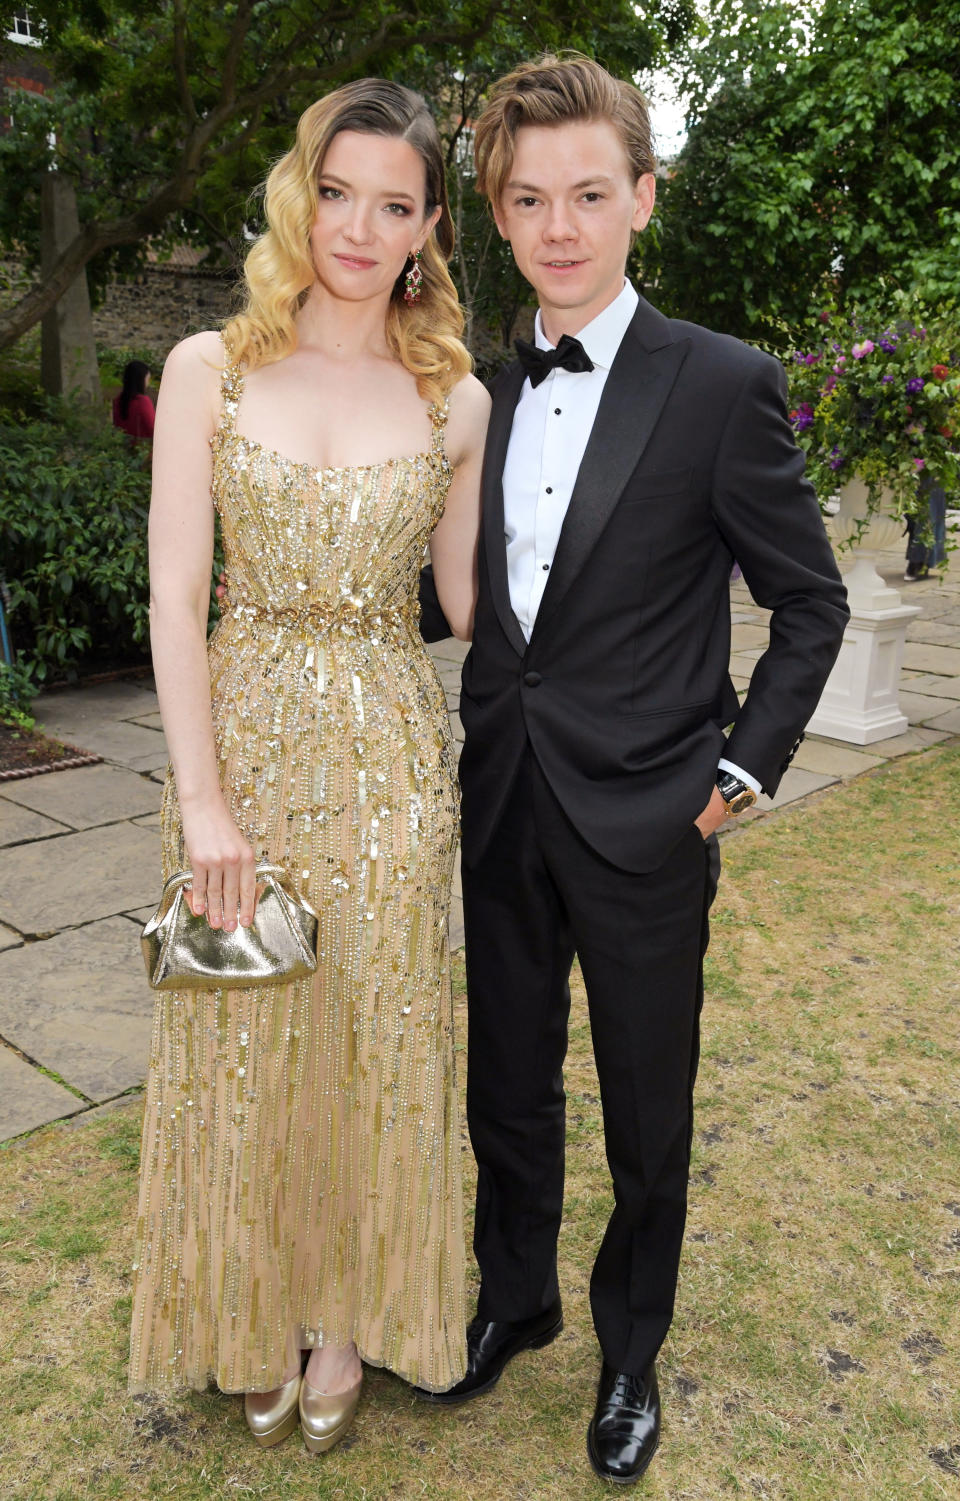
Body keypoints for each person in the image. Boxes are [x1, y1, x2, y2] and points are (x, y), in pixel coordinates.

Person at [415, 55, 849, 1485]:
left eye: (590, 193)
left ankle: (627, 1349)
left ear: (641, 198)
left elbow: (812, 601)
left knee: (645, 1099)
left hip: (656, 812)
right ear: (497, 211)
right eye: (530, 199)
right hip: (502, 793)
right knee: (506, 1080)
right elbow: (461, 602)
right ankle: (517, 1297)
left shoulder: (724, 384)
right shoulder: (476, 393)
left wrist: (747, 762)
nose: (561, 225)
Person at [129, 78, 489, 1455]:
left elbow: (467, 600)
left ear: (427, 226)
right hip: (246, 744)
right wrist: (206, 797)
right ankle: (251, 1307)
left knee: (376, 1033)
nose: (359, 225)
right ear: (302, 191)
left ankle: (343, 1316)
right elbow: (174, 599)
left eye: (393, 203)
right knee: (242, 1033)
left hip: (394, 750)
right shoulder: (210, 365)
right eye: (338, 191)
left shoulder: (455, 399)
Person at [112, 359, 155, 440]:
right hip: (144, 448)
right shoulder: (143, 401)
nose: (148, 384)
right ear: (141, 380)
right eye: (147, 379)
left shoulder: (118, 401)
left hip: (125, 448)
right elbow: (154, 429)